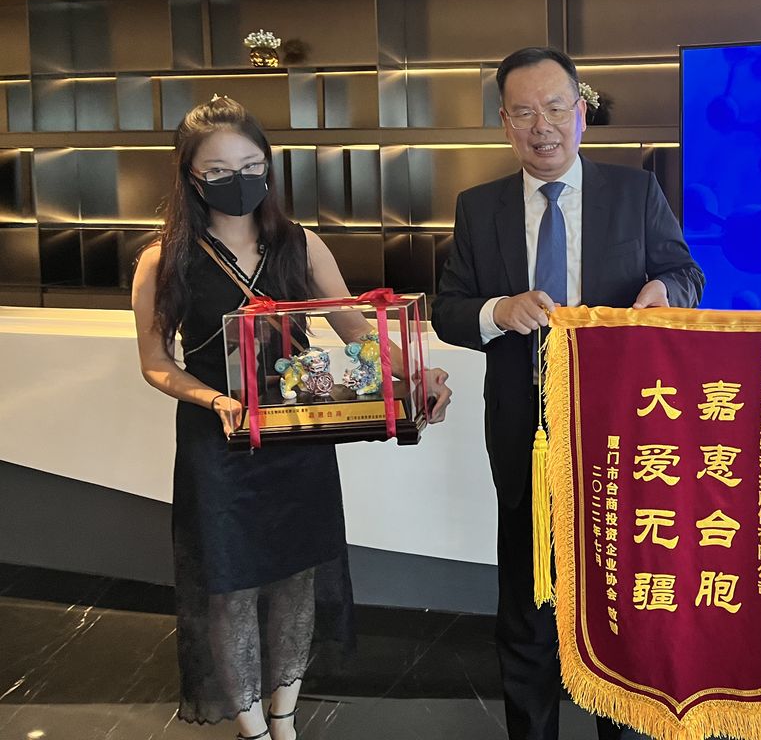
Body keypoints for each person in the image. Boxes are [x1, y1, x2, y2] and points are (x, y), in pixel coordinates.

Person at [131, 95, 451, 740]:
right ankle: (252, 728)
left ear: (269, 167)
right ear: (189, 176)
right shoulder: (164, 259)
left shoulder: (299, 244)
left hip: (296, 435)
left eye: (251, 166)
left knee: (296, 578)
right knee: (230, 585)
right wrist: (215, 400)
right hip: (218, 445)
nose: (239, 180)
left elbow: (355, 328)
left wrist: (415, 374)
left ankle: (285, 719)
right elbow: (156, 363)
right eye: (219, 171)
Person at [432, 47, 704, 740]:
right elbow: (449, 310)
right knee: (528, 602)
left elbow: (687, 274)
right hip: (526, 430)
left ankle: (621, 723)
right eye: (524, 112)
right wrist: (499, 310)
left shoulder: (635, 193)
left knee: (621, 597)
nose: (542, 126)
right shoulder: (479, 208)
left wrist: (663, 291)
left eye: (556, 108)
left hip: (625, 432)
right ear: (504, 123)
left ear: (582, 112)